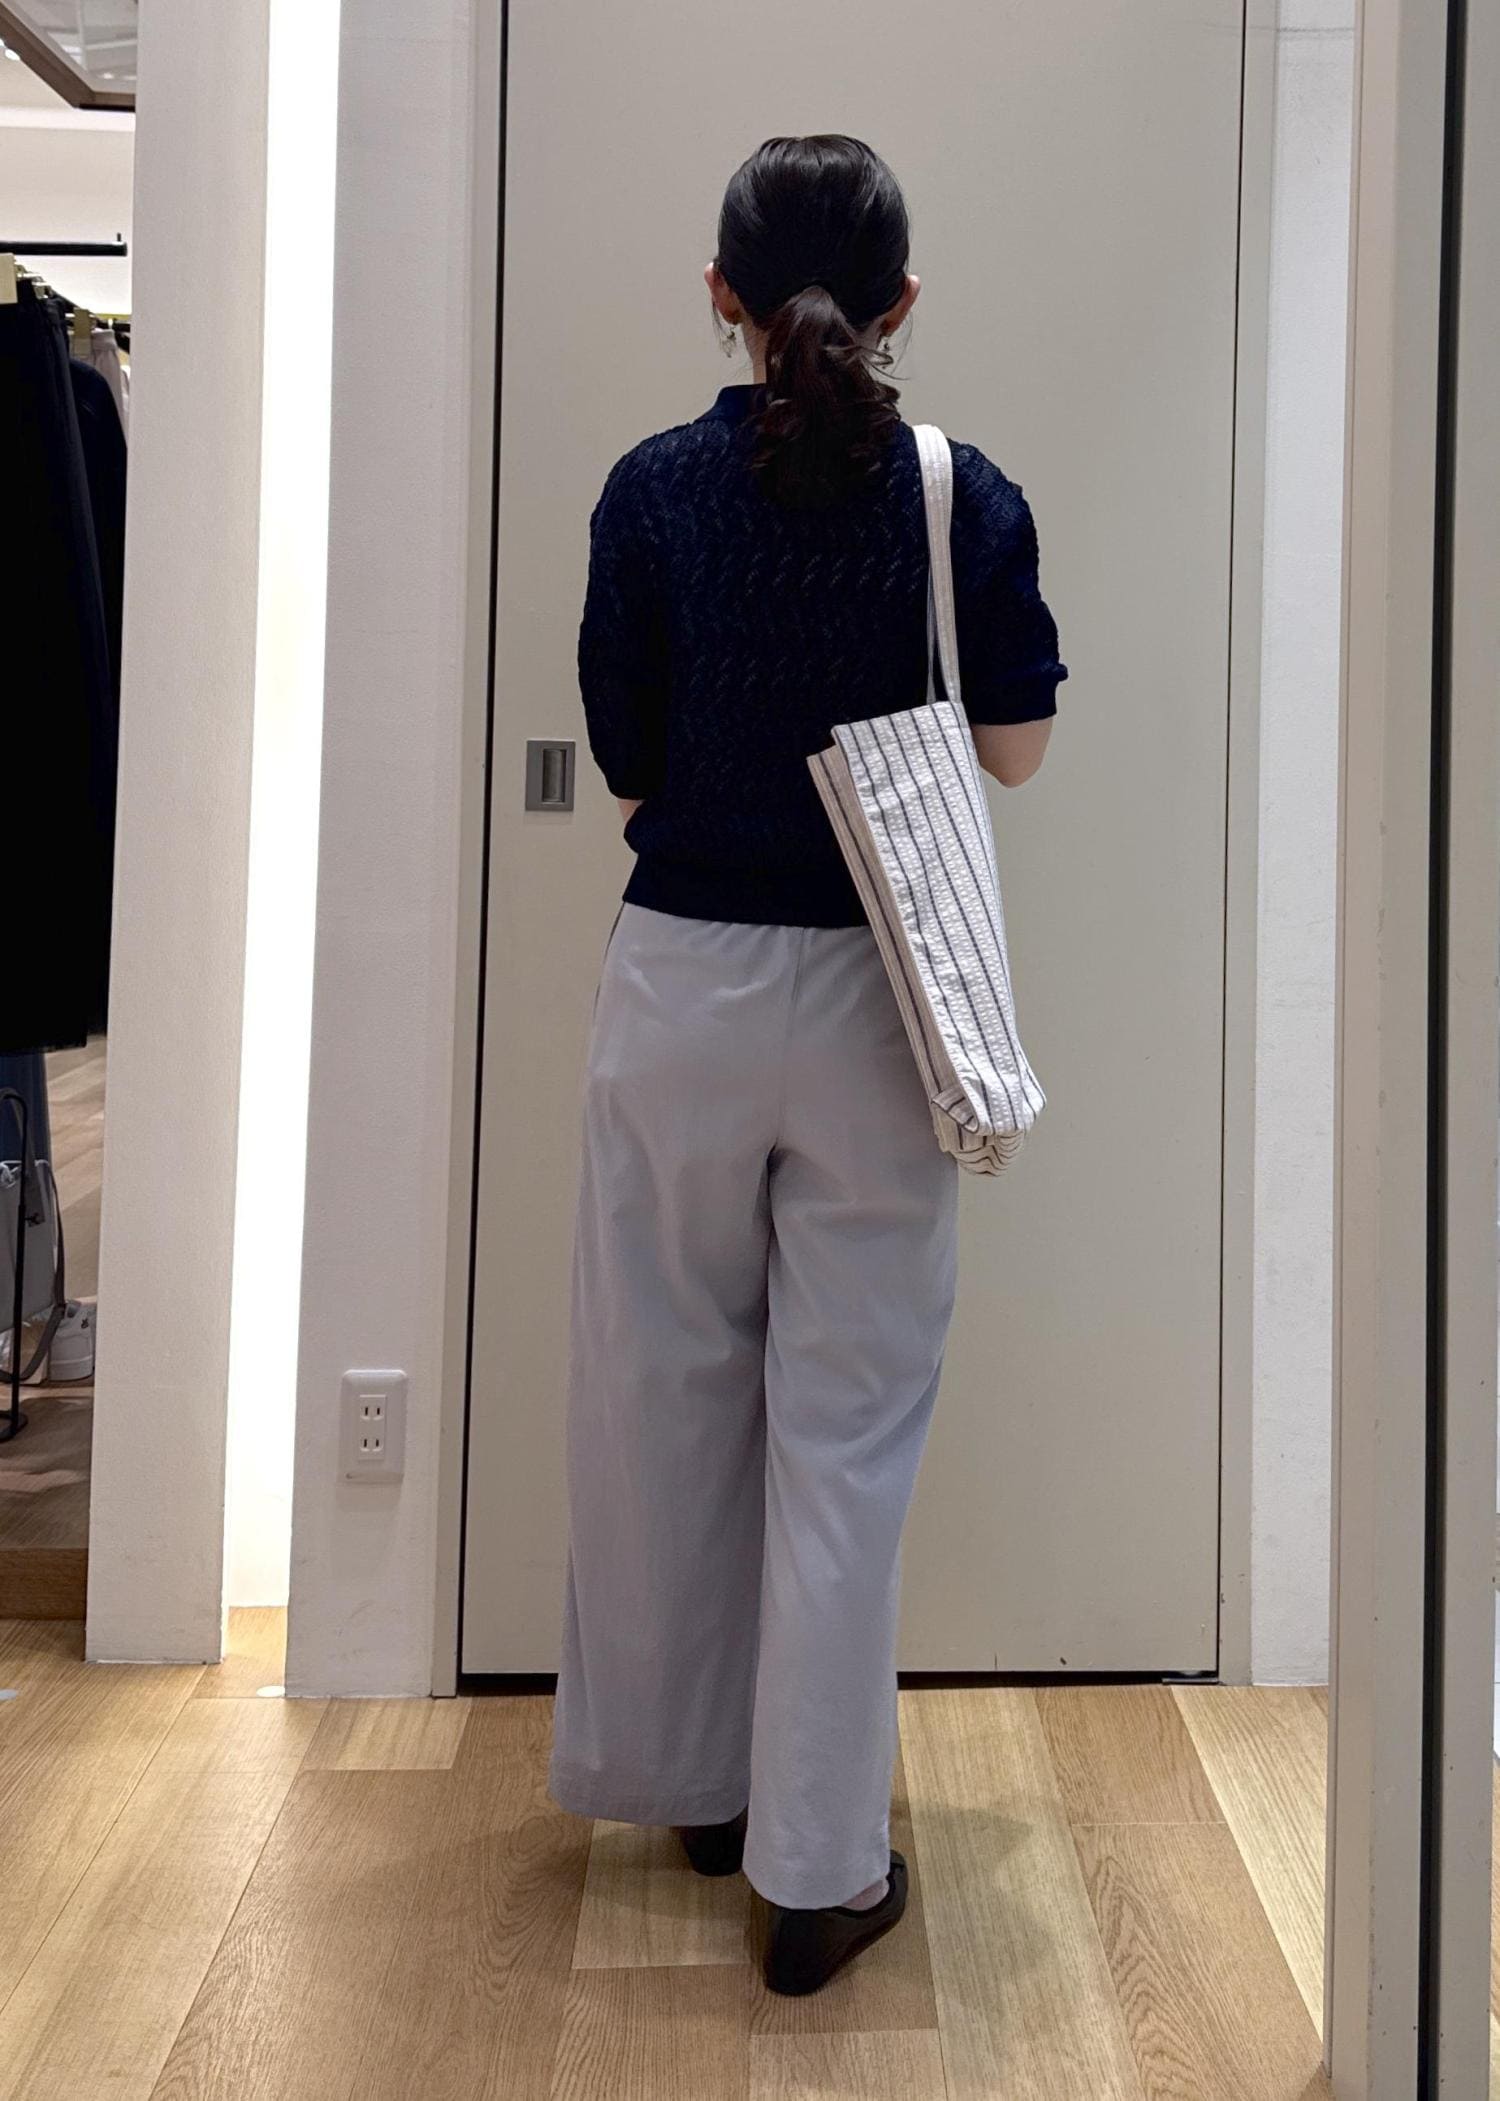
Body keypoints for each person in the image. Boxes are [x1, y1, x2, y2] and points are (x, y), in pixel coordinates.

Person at [547, 133, 1066, 1995]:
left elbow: (629, 762)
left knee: (662, 1395)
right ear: (903, 302)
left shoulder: (650, 489)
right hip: (876, 998)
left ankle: (694, 1785)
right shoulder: (961, 494)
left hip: (681, 984)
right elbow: (1013, 751)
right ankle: (820, 1870)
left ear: (721, 295)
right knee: (845, 1439)